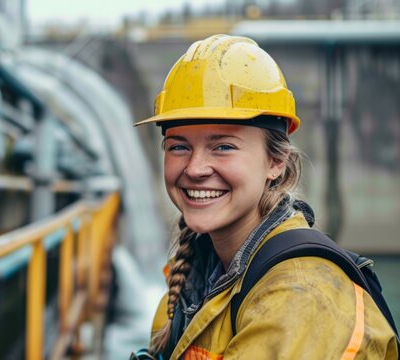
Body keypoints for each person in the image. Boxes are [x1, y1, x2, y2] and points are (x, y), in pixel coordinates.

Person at [133, 34, 399, 359]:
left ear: (275, 162)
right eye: (179, 146)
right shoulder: (195, 277)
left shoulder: (302, 299)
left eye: (223, 147)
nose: (195, 168)